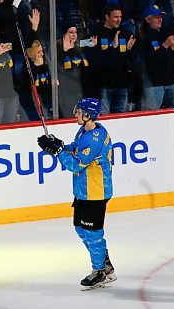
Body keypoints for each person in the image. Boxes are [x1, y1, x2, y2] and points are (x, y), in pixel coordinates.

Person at [36, 98, 116, 290]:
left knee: (93, 232)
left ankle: (99, 271)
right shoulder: (85, 131)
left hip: (95, 192)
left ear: (88, 115)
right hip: (83, 191)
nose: (75, 114)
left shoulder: (94, 139)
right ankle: (104, 263)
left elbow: (75, 164)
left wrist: (56, 152)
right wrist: (59, 145)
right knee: (80, 229)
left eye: (79, 111)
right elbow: (75, 148)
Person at [141, 4, 174, 110]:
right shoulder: (144, 38)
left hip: (173, 81)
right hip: (155, 84)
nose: (160, 20)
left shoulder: (168, 32)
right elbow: (150, 61)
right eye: (156, 17)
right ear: (147, 19)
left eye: (161, 17)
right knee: (152, 114)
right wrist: (165, 46)